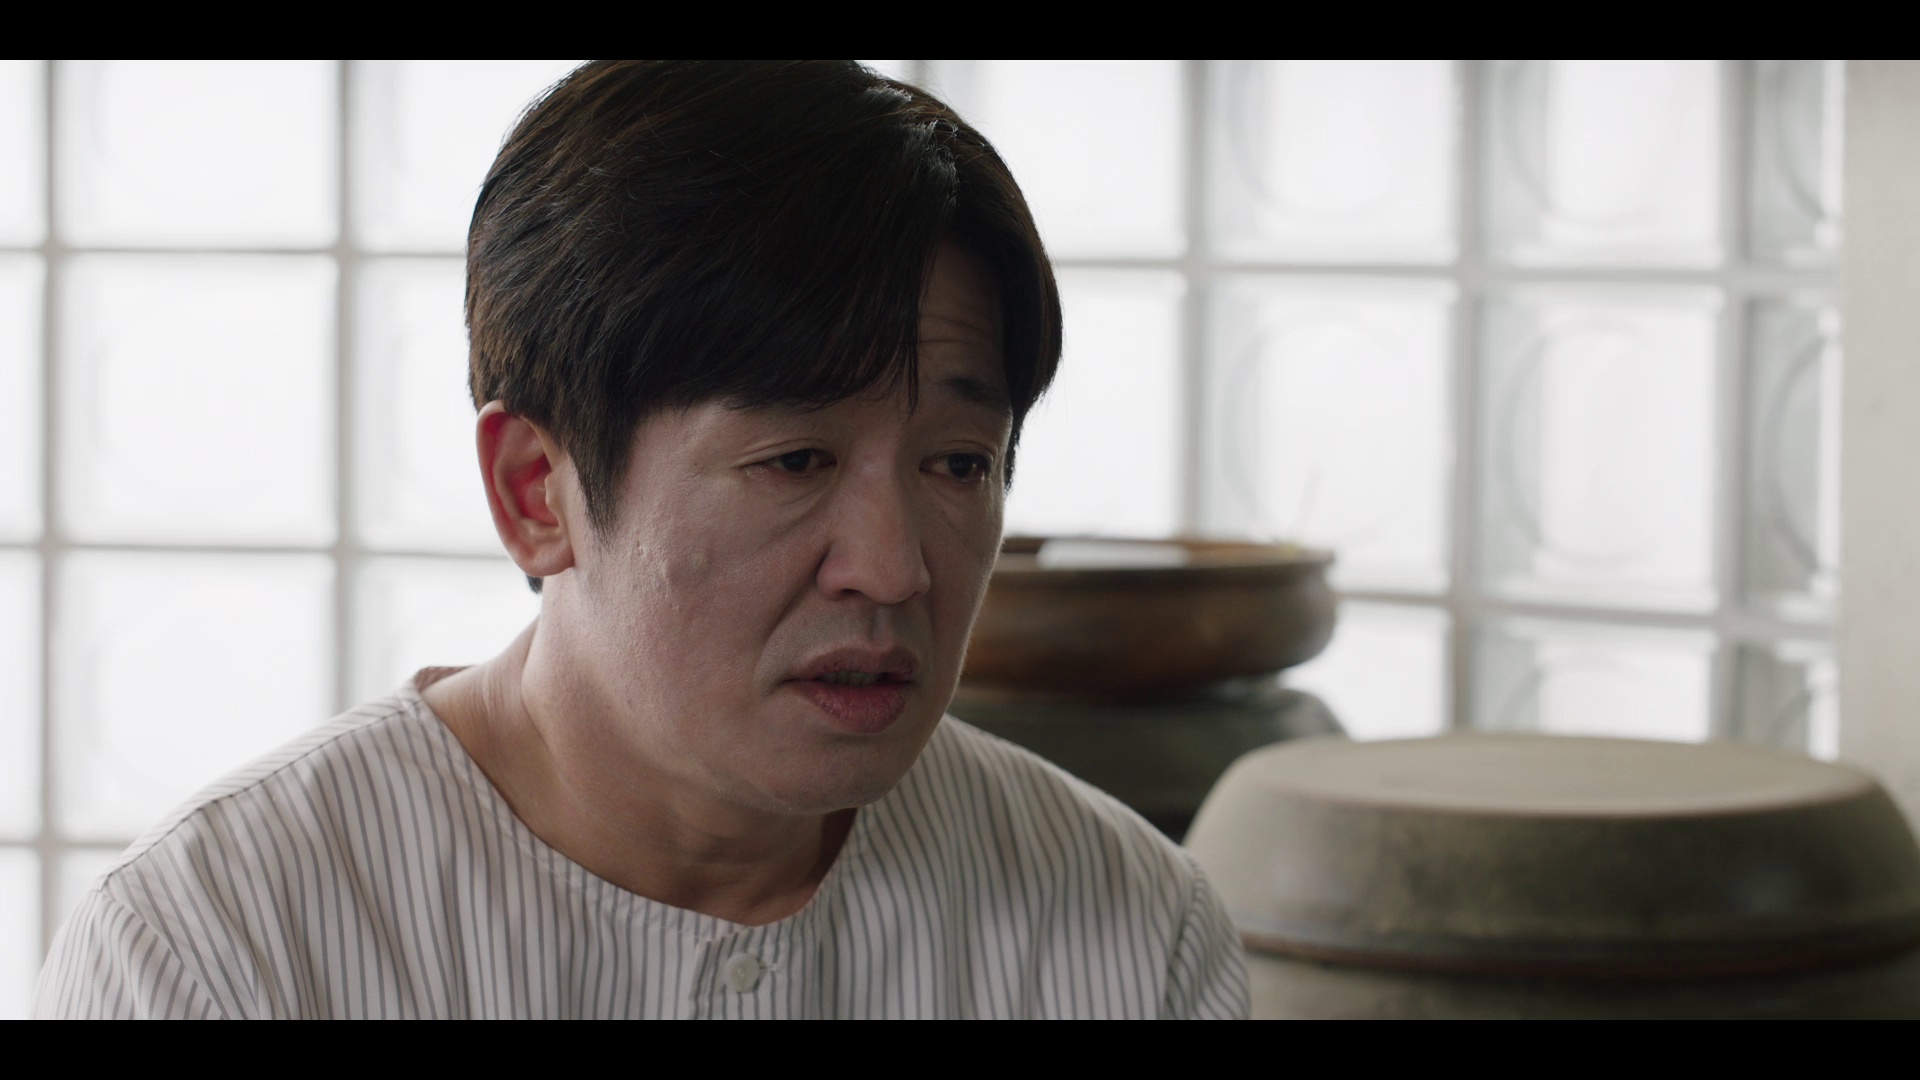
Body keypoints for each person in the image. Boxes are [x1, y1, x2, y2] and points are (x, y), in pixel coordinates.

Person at [34, 59, 1249, 1019]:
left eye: (958, 464)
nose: (893, 568)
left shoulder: (1128, 932)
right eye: (795, 461)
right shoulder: (222, 947)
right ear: (536, 492)